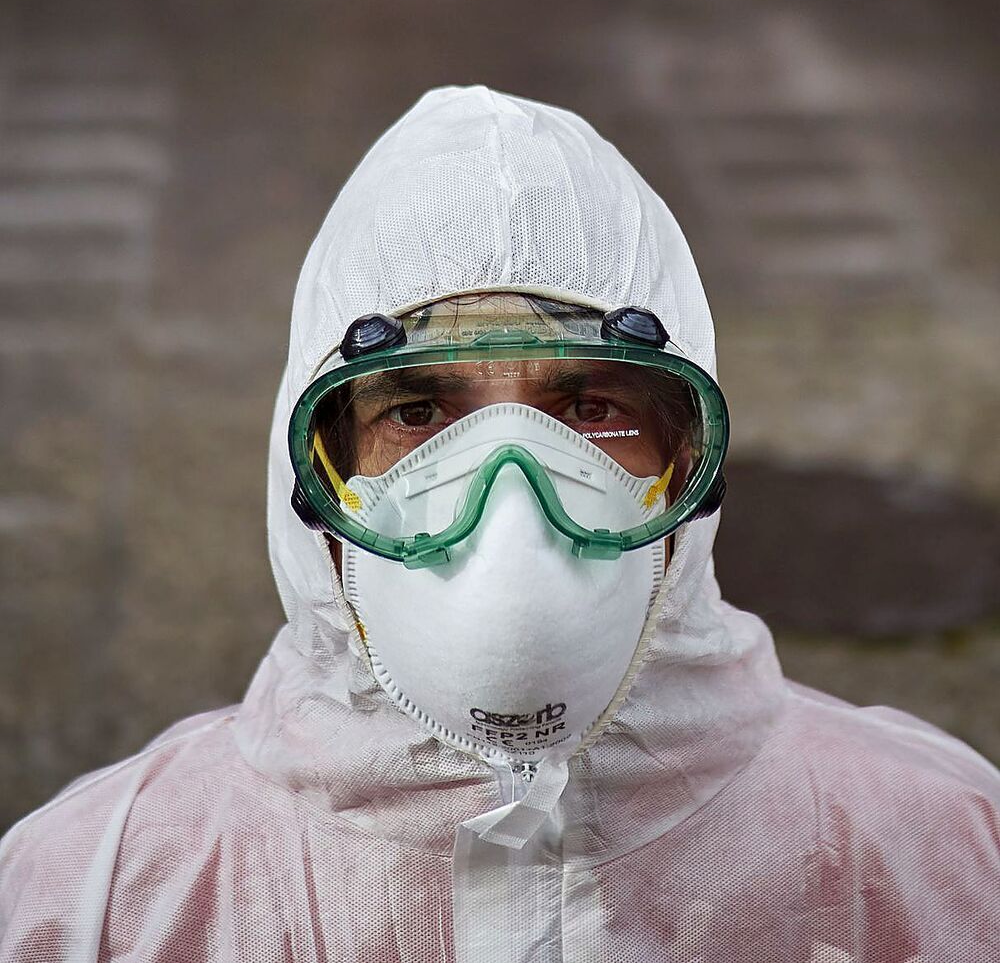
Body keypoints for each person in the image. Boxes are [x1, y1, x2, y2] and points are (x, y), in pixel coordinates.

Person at [2, 85, 998, 962]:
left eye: (594, 409)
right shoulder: (97, 897)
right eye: (420, 413)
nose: (510, 498)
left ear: (689, 466)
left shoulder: (936, 853)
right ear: (313, 482)